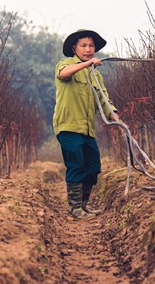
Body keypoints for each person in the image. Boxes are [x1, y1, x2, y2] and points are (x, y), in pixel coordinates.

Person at [53, 29, 123, 221]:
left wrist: (115, 115)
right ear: (74, 48)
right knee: (76, 165)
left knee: (92, 167)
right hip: (68, 125)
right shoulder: (66, 64)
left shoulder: (96, 76)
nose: (88, 49)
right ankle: (74, 209)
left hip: (87, 129)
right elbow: (63, 74)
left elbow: (104, 99)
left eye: (91, 46)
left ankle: (83, 206)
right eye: (83, 45)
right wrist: (86, 64)